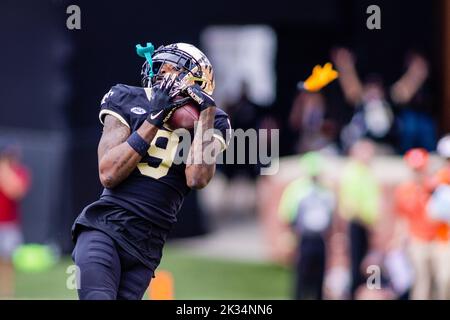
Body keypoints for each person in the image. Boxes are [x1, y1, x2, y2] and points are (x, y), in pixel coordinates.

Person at [71, 43, 232, 300]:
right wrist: (153, 119)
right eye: (160, 68)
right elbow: (108, 173)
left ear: (198, 80)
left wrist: (206, 116)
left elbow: (197, 178)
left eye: (174, 70)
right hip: (105, 229)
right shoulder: (126, 97)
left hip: (146, 247)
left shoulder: (214, 120)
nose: (163, 75)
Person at [332, 48, 434, 153]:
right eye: (370, 88)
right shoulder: (360, 102)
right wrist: (345, 67)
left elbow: (404, 91)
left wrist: (416, 72)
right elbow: (351, 91)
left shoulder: (390, 100)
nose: (373, 92)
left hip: (387, 149)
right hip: (361, 147)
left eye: (376, 88)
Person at [279, 152, 336, 300]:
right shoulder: (297, 189)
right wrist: (290, 237)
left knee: (319, 278)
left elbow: (330, 216)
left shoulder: (326, 189)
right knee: (301, 277)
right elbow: (287, 214)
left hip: (320, 238)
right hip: (303, 238)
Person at [393, 148, 439, 299]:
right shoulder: (404, 189)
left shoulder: (434, 187)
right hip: (417, 239)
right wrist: (399, 239)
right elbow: (402, 217)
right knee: (421, 280)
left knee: (439, 281)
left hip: (437, 239)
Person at [338, 139, 381, 298]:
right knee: (357, 266)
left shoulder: (367, 172)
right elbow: (351, 204)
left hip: (366, 224)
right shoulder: (352, 172)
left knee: (367, 266)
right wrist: (367, 222)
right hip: (357, 223)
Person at [0, 141, 30, 298]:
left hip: (9, 224)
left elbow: (15, 191)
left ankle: (6, 292)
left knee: (7, 261)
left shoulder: (20, 172)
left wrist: (4, 170)